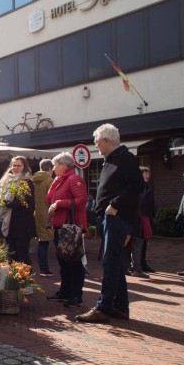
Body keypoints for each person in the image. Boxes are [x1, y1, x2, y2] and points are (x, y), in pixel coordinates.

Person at [76, 124, 142, 323]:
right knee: (114, 261)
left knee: (110, 261)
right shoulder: (112, 159)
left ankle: (103, 308)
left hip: (116, 217)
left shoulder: (125, 158)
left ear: (106, 140)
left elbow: (137, 185)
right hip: (109, 218)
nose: (95, 145)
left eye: (97, 141)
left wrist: (114, 205)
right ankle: (120, 307)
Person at [46, 152, 88, 307]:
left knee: (74, 262)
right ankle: (65, 291)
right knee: (64, 261)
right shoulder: (60, 180)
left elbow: (82, 200)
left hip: (70, 226)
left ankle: (76, 295)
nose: (53, 168)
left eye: (55, 165)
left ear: (63, 165)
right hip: (60, 225)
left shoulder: (74, 179)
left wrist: (58, 204)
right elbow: (49, 198)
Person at [0, 156, 36, 265]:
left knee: (22, 256)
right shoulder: (6, 180)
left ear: (24, 167)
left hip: (22, 225)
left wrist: (0, 202)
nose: (16, 168)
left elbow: (20, 203)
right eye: (14, 165)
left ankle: (26, 276)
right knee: (12, 255)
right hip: (9, 223)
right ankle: (14, 275)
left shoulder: (26, 182)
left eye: (19, 166)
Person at [32, 159, 55, 276]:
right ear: (50, 169)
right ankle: (44, 269)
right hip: (47, 214)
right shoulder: (49, 180)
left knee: (42, 241)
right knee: (47, 242)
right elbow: (53, 199)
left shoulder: (33, 180)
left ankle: (43, 268)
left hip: (36, 212)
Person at [139, 167, 156, 273]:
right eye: (146, 173)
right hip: (139, 217)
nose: (148, 175)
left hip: (146, 216)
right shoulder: (138, 186)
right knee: (138, 241)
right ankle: (136, 264)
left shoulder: (148, 186)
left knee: (144, 241)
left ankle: (142, 263)